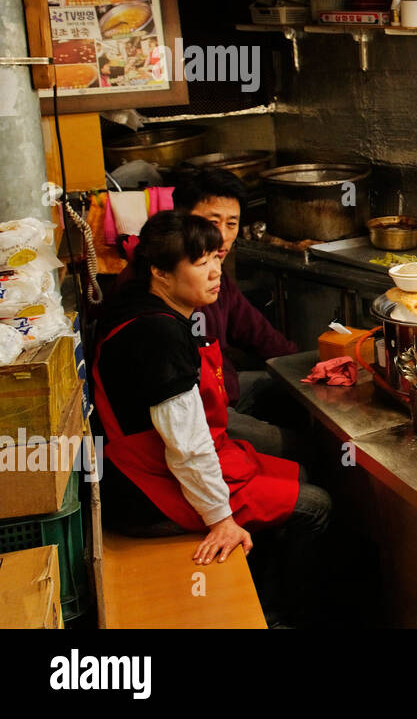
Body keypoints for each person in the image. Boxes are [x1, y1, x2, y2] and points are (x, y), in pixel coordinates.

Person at [92, 212, 330, 622]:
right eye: (201, 264)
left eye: (216, 258)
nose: (216, 271)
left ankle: (266, 591)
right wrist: (220, 519)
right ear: (161, 274)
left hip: (159, 465)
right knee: (316, 505)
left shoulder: (146, 306)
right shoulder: (158, 335)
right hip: (148, 490)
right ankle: (279, 616)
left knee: (299, 474)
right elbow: (185, 447)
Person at [113, 167, 300, 457]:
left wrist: (306, 367)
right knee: (296, 449)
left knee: (289, 388)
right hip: (197, 412)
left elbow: (257, 333)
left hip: (223, 389)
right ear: (183, 219)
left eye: (232, 224)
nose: (222, 237)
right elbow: (182, 424)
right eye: (212, 222)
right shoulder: (148, 294)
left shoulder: (215, 276)